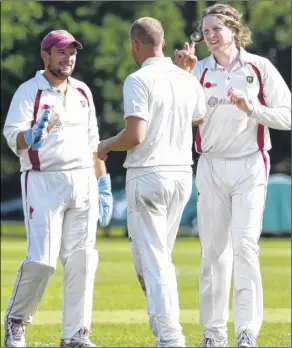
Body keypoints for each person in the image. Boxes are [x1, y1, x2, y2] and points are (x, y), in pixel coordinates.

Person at [174, 3, 291, 347]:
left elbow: (287, 115)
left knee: (244, 246)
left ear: (234, 31)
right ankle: (213, 333)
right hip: (210, 164)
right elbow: (176, 114)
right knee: (213, 251)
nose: (210, 36)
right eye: (205, 30)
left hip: (250, 163)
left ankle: (246, 332)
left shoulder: (259, 67)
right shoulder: (198, 70)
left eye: (216, 29)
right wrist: (182, 76)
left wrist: (252, 107)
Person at [97, 17, 206, 347]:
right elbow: (200, 117)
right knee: (155, 258)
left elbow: (135, 135)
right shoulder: (187, 78)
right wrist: (188, 75)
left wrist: (104, 146)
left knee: (154, 261)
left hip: (149, 175)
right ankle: (169, 329)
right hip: (182, 174)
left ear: (135, 44)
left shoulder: (137, 79)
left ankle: (170, 337)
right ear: (161, 42)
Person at [3, 29, 113, 348]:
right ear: (45, 55)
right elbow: (13, 138)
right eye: (61, 52)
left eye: (72, 53)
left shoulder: (82, 92)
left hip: (83, 181)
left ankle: (75, 334)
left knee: (82, 259)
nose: (68, 58)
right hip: (43, 180)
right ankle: (16, 322)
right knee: (43, 260)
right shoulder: (29, 92)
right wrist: (33, 134)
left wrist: (101, 184)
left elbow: (94, 144)